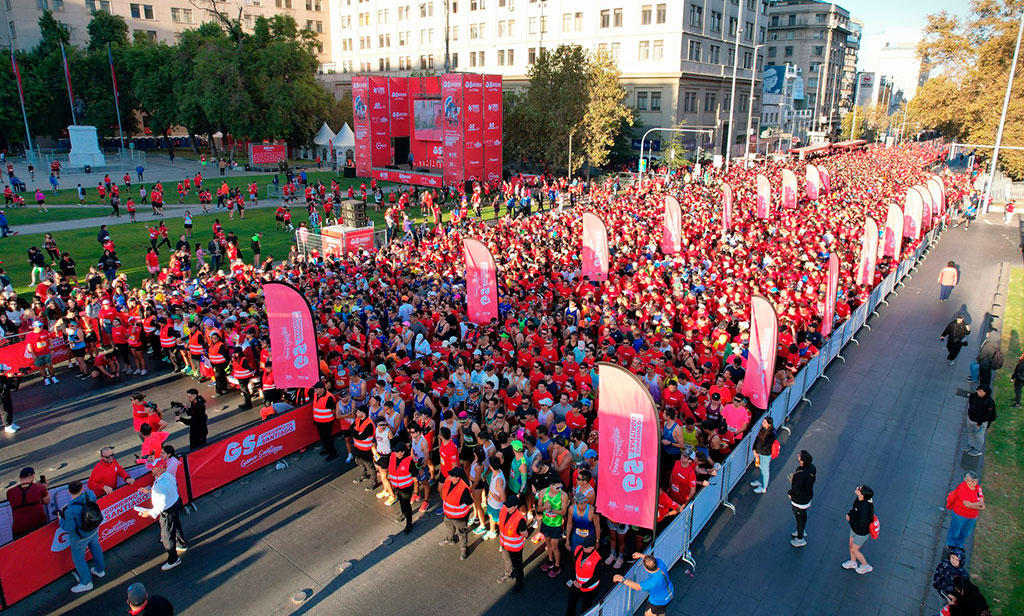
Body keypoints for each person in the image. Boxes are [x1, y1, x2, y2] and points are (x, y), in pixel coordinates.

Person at [135, 460, 187, 570]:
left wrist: (148, 513)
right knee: (176, 524)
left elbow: (161, 506)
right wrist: (150, 491)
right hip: (175, 502)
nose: (151, 470)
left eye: (153, 468)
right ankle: (181, 544)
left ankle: (173, 559)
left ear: (159, 469)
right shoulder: (167, 476)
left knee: (166, 535)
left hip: (167, 510)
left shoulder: (161, 485)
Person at [60, 480, 106, 593]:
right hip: (94, 529)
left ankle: (86, 582)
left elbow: (68, 527)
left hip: (79, 537)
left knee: (79, 559)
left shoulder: (70, 510)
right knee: (96, 548)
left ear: (68, 492)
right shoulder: (90, 495)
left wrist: (60, 520)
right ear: (82, 489)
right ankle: (100, 570)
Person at [439, 466, 473, 560]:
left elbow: (470, 503)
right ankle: (450, 539)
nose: (449, 477)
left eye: (452, 476)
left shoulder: (463, 489)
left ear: (458, 478)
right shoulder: (448, 481)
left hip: (459, 517)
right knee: (450, 528)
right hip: (447, 514)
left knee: (461, 533)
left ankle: (463, 549)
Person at [497, 495, 529, 594]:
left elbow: (525, 534)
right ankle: (508, 573)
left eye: (509, 506)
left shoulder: (520, 519)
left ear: (515, 507)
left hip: (515, 548)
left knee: (518, 565)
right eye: (506, 505)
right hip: (505, 544)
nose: (506, 507)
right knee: (506, 559)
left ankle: (519, 583)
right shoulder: (504, 509)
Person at [6, 467, 50, 537]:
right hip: (39, 524)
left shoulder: (10, 492)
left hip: (19, 528)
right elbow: (46, 501)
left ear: (20, 477)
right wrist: (45, 487)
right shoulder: (39, 488)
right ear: (33, 476)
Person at [946, 471, 985, 549]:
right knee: (955, 531)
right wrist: (978, 505)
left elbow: (982, 505)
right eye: (970, 480)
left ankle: (959, 545)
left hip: (972, 516)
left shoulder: (978, 488)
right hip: (960, 514)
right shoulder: (962, 488)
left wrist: (973, 505)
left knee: (966, 532)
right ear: (965, 479)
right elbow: (967, 504)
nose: (973, 483)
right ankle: (950, 544)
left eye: (975, 481)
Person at [843, 484, 875, 575]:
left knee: (854, 549)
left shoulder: (865, 508)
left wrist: (850, 520)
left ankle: (866, 566)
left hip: (861, 533)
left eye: (859, 489)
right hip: (854, 529)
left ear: (862, 495)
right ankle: (853, 562)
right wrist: (850, 514)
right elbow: (854, 510)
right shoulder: (859, 500)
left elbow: (862, 523)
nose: (857, 488)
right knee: (851, 545)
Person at [566, 539, 602, 616]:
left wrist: (583, 585)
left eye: (586, 547)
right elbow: (573, 565)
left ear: (593, 547)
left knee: (586, 607)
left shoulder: (597, 559)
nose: (584, 548)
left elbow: (596, 577)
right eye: (584, 546)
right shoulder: (579, 549)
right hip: (577, 583)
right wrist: (573, 579)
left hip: (589, 589)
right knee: (571, 601)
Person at [788, 450, 816, 547]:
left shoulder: (800, 474)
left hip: (799, 501)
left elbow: (796, 489)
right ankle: (801, 530)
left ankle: (800, 539)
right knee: (803, 515)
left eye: (799, 455)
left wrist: (790, 493)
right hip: (808, 497)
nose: (797, 456)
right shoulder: (812, 468)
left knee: (799, 518)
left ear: (802, 460)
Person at [388, 442, 416, 534]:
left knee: (406, 504)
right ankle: (403, 513)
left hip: (406, 488)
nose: (395, 453)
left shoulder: (409, 461)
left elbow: (415, 473)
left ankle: (409, 523)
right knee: (401, 501)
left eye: (397, 452)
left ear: (403, 452)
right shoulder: (393, 456)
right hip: (396, 486)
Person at [964, 385, 995, 457]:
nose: (979, 393)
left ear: (986, 393)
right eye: (978, 391)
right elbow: (971, 403)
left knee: (979, 435)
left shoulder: (989, 402)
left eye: (981, 391)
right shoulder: (974, 396)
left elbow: (988, 414)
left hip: (979, 422)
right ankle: (971, 444)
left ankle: (978, 449)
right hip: (971, 419)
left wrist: (980, 422)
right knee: (970, 432)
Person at [311, 381, 338, 462]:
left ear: (322, 389)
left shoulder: (329, 397)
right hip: (319, 421)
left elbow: (333, 410)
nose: (314, 390)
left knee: (328, 437)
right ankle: (327, 449)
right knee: (323, 437)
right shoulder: (316, 395)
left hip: (327, 422)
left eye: (316, 388)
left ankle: (332, 453)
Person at [750, 417, 776, 493]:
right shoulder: (763, 429)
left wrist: (757, 452)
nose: (763, 424)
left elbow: (766, 445)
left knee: (765, 470)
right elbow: (757, 439)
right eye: (763, 422)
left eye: (765, 422)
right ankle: (760, 481)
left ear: (769, 424)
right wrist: (754, 449)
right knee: (761, 468)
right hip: (760, 453)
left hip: (764, 454)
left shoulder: (771, 434)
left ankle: (764, 487)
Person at [0, 364, 19, 433]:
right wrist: (11, 379)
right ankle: (7, 426)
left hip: (6, 396)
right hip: (1, 399)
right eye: (5, 370)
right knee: (5, 411)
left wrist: (16, 379)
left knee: (9, 409)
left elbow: (13, 388)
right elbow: (4, 386)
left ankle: (11, 423)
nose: (7, 371)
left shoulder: (4, 377)